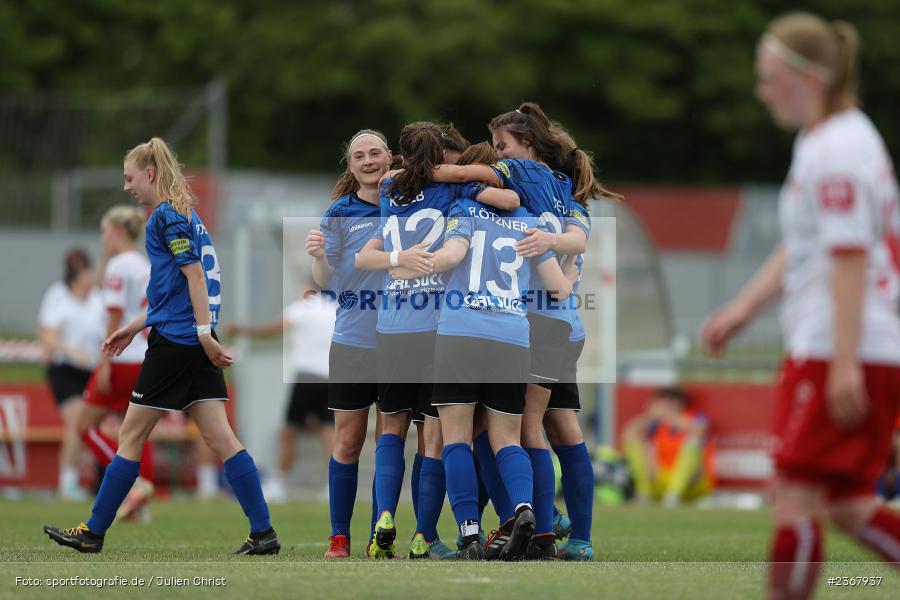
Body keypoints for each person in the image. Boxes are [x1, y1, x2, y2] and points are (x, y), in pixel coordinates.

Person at [700, 12, 900, 599]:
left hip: (845, 345)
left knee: (796, 496)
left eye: (769, 77)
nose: (762, 91)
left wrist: (841, 363)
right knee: (848, 504)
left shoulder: (836, 149)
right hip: (862, 342)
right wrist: (744, 307)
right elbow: (808, 245)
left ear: (807, 78)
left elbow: (849, 257)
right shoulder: (833, 139)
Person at [43, 137, 278, 556]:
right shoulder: (183, 214)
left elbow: (195, 280)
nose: (128, 187)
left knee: (130, 435)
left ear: (149, 174)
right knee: (221, 437)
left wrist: (204, 335)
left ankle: (93, 531)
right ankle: (263, 533)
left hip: (177, 343)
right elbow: (172, 289)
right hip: (188, 337)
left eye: (130, 178)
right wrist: (136, 326)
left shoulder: (165, 216)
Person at [432, 102, 617, 559]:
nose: (495, 157)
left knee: (506, 427)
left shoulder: (517, 177)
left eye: (501, 147)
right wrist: (557, 246)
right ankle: (580, 538)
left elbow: (464, 180)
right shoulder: (564, 192)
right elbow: (575, 246)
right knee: (563, 428)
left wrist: (414, 175)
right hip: (564, 324)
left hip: (526, 318)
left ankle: (536, 523)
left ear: (526, 147)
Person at [355, 123, 520, 559]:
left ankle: (381, 522)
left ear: (400, 157)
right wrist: (467, 174)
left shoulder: (390, 187)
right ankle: (423, 535)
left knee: (389, 430)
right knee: (435, 439)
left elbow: (366, 252)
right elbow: (504, 196)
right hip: (435, 327)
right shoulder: (452, 192)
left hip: (391, 327)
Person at [403, 150, 575, 559]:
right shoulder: (530, 222)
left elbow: (452, 256)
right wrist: (573, 273)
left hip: (461, 332)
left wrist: (407, 264)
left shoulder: (463, 208)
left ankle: (468, 534)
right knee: (507, 438)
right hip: (513, 336)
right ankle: (523, 508)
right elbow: (559, 289)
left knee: (456, 439)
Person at [306, 129, 393, 559]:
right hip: (353, 341)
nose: (367, 160)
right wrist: (320, 257)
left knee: (389, 444)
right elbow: (325, 282)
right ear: (351, 165)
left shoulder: (410, 203)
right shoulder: (340, 212)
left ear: (389, 156)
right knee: (347, 442)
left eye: (375, 152)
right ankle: (339, 537)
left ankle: (382, 537)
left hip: (401, 341)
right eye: (359, 155)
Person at [77, 205, 155, 522]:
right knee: (135, 430)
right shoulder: (145, 265)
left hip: (121, 356)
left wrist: (105, 360)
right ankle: (141, 498)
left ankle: (134, 483)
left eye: (104, 230)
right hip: (145, 356)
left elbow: (113, 313)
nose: (102, 237)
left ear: (118, 232)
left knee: (84, 426)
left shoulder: (118, 266)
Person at [226, 278, 337, 502]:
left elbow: (274, 329)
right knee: (328, 431)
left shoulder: (302, 308)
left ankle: (278, 483)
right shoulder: (334, 309)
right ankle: (333, 484)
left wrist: (243, 330)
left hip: (307, 376)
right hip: (331, 376)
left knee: (289, 430)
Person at [37, 248, 105, 500]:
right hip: (64, 369)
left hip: (92, 371)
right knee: (76, 421)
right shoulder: (58, 295)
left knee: (96, 424)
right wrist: (70, 350)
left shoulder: (97, 298)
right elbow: (46, 333)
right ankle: (67, 482)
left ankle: (103, 483)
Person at [621, 387, 714, 506]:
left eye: (668, 403)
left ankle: (673, 496)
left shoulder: (695, 417)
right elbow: (629, 433)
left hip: (691, 483)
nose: (664, 407)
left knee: (694, 441)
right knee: (633, 440)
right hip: (660, 480)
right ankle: (644, 494)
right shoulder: (654, 422)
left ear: (679, 403)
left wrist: (668, 416)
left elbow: (699, 430)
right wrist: (648, 416)